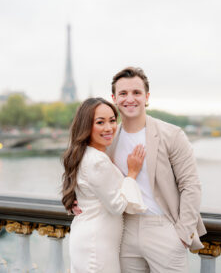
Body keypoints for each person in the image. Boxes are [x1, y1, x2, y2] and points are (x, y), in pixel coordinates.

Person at [106, 66, 206, 273]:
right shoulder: (108, 138)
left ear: (147, 97)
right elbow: (89, 173)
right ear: (114, 98)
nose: (129, 99)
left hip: (164, 229)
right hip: (124, 230)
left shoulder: (172, 134)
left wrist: (182, 234)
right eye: (123, 93)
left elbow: (191, 185)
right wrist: (74, 200)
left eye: (136, 92)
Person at [62, 97, 147, 273]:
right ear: (86, 126)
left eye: (112, 120)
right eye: (100, 122)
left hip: (88, 237)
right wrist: (132, 173)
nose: (109, 128)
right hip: (97, 243)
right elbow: (117, 206)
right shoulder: (97, 160)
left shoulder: (85, 154)